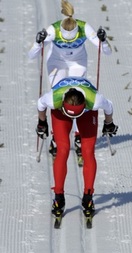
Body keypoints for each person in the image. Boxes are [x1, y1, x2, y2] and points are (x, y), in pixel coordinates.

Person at [28, 0, 112, 164]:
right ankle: (56, 138)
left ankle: (79, 136)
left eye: (71, 41)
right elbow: (32, 55)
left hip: (77, 63)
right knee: (59, 99)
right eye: (64, 41)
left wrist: (104, 40)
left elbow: (106, 52)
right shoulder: (52, 29)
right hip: (56, 63)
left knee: (78, 96)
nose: (67, 44)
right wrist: (39, 42)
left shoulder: (84, 27)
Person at [35, 77, 118, 218]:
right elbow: (40, 104)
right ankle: (59, 197)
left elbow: (109, 106)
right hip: (60, 111)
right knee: (63, 149)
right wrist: (42, 122)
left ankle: (88, 197)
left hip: (87, 113)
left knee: (88, 151)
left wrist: (109, 123)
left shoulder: (95, 100)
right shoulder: (53, 98)